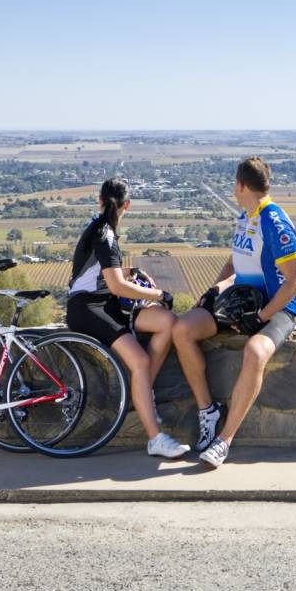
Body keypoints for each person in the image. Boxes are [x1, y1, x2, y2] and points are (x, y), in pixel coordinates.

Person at [172, 157, 296, 467]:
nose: (233, 189)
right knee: (182, 329)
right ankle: (208, 410)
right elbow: (234, 265)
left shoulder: (274, 222)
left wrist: (260, 318)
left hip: (277, 308)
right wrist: (212, 292)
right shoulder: (246, 217)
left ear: (242, 185)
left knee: (255, 352)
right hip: (239, 302)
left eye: (234, 184)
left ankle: (224, 440)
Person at [65, 177, 188, 458]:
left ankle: (143, 389)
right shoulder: (105, 235)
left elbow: (109, 275)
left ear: (100, 201)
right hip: (88, 308)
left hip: (103, 302)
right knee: (141, 361)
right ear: (127, 206)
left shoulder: (102, 229)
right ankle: (155, 439)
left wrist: (131, 271)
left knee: (167, 323)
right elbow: (118, 286)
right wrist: (160, 295)